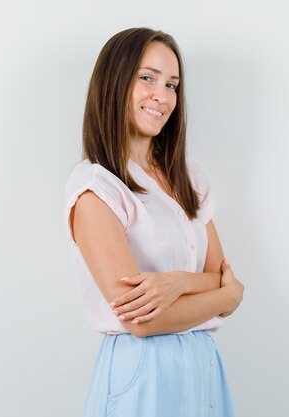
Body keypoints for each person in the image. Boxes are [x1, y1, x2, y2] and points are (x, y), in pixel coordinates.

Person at [63, 27, 245, 417]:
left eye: (172, 84)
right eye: (147, 78)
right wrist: (226, 298)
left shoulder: (188, 178)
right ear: (114, 83)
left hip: (203, 365)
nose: (162, 96)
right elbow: (142, 321)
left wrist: (176, 282)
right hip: (143, 371)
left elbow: (219, 271)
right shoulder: (96, 186)